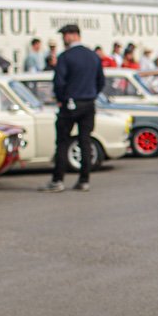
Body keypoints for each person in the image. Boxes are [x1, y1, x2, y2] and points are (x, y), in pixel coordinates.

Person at [41, 24, 103, 192]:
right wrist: (91, 95)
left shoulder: (66, 57)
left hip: (70, 103)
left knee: (62, 142)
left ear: (74, 35)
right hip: (88, 103)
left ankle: (58, 179)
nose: (64, 39)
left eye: (65, 35)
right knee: (85, 141)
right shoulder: (93, 56)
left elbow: (59, 82)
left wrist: (61, 99)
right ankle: (84, 180)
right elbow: (100, 81)